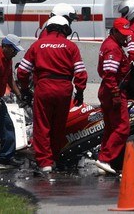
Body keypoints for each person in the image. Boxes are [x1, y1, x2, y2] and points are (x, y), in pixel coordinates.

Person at [17, 16, 88, 173]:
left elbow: (22, 71)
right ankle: (55, 158)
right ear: (64, 29)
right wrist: (80, 91)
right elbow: (81, 72)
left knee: (42, 126)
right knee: (58, 126)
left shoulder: (37, 45)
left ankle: (45, 162)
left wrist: (24, 89)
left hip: (44, 87)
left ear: (48, 28)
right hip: (64, 89)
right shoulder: (71, 46)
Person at [95, 18, 133, 175]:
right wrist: (116, 94)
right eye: (122, 34)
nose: (125, 37)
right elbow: (109, 74)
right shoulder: (113, 48)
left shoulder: (110, 44)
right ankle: (105, 159)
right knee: (122, 128)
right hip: (113, 91)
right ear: (115, 31)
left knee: (111, 128)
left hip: (108, 91)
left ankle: (103, 161)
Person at [0, 34, 25, 168]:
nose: (15, 53)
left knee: (7, 125)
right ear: (5, 46)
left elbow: (9, 79)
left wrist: (19, 94)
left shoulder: (8, 59)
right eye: (14, 50)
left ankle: (6, 157)